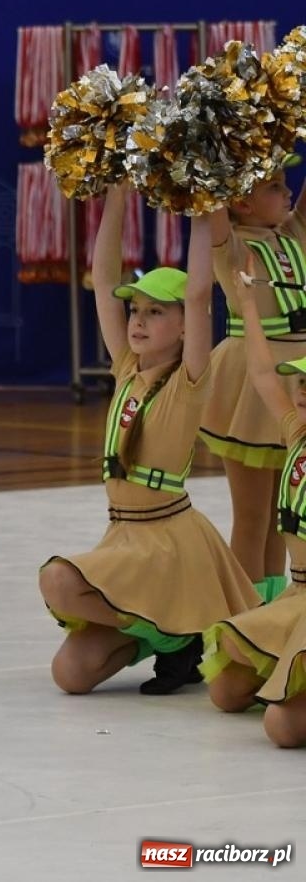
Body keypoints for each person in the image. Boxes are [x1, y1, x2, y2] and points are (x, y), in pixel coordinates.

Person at [37, 183, 257, 695]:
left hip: (169, 543)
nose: (137, 320)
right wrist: (116, 194)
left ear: (184, 326)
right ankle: (167, 638)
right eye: (135, 311)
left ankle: (179, 639)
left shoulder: (190, 380)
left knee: (59, 580)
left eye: (156, 312)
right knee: (70, 676)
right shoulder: (126, 369)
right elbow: (103, 280)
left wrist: (204, 204)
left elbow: (202, 294)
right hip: (125, 534)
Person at [203, 252, 306, 746]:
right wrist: (245, 303)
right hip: (298, 596)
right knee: (225, 692)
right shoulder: (295, 433)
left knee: (282, 728)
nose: (301, 392)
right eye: (301, 383)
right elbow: (265, 375)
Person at [199, 173, 306, 601]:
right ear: (241, 202)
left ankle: (275, 609)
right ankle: (243, 621)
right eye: (275, 188)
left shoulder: (294, 232)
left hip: (298, 372)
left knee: (284, 512)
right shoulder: (233, 246)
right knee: (251, 514)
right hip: (251, 377)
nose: (288, 193)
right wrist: (213, 158)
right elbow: (212, 206)